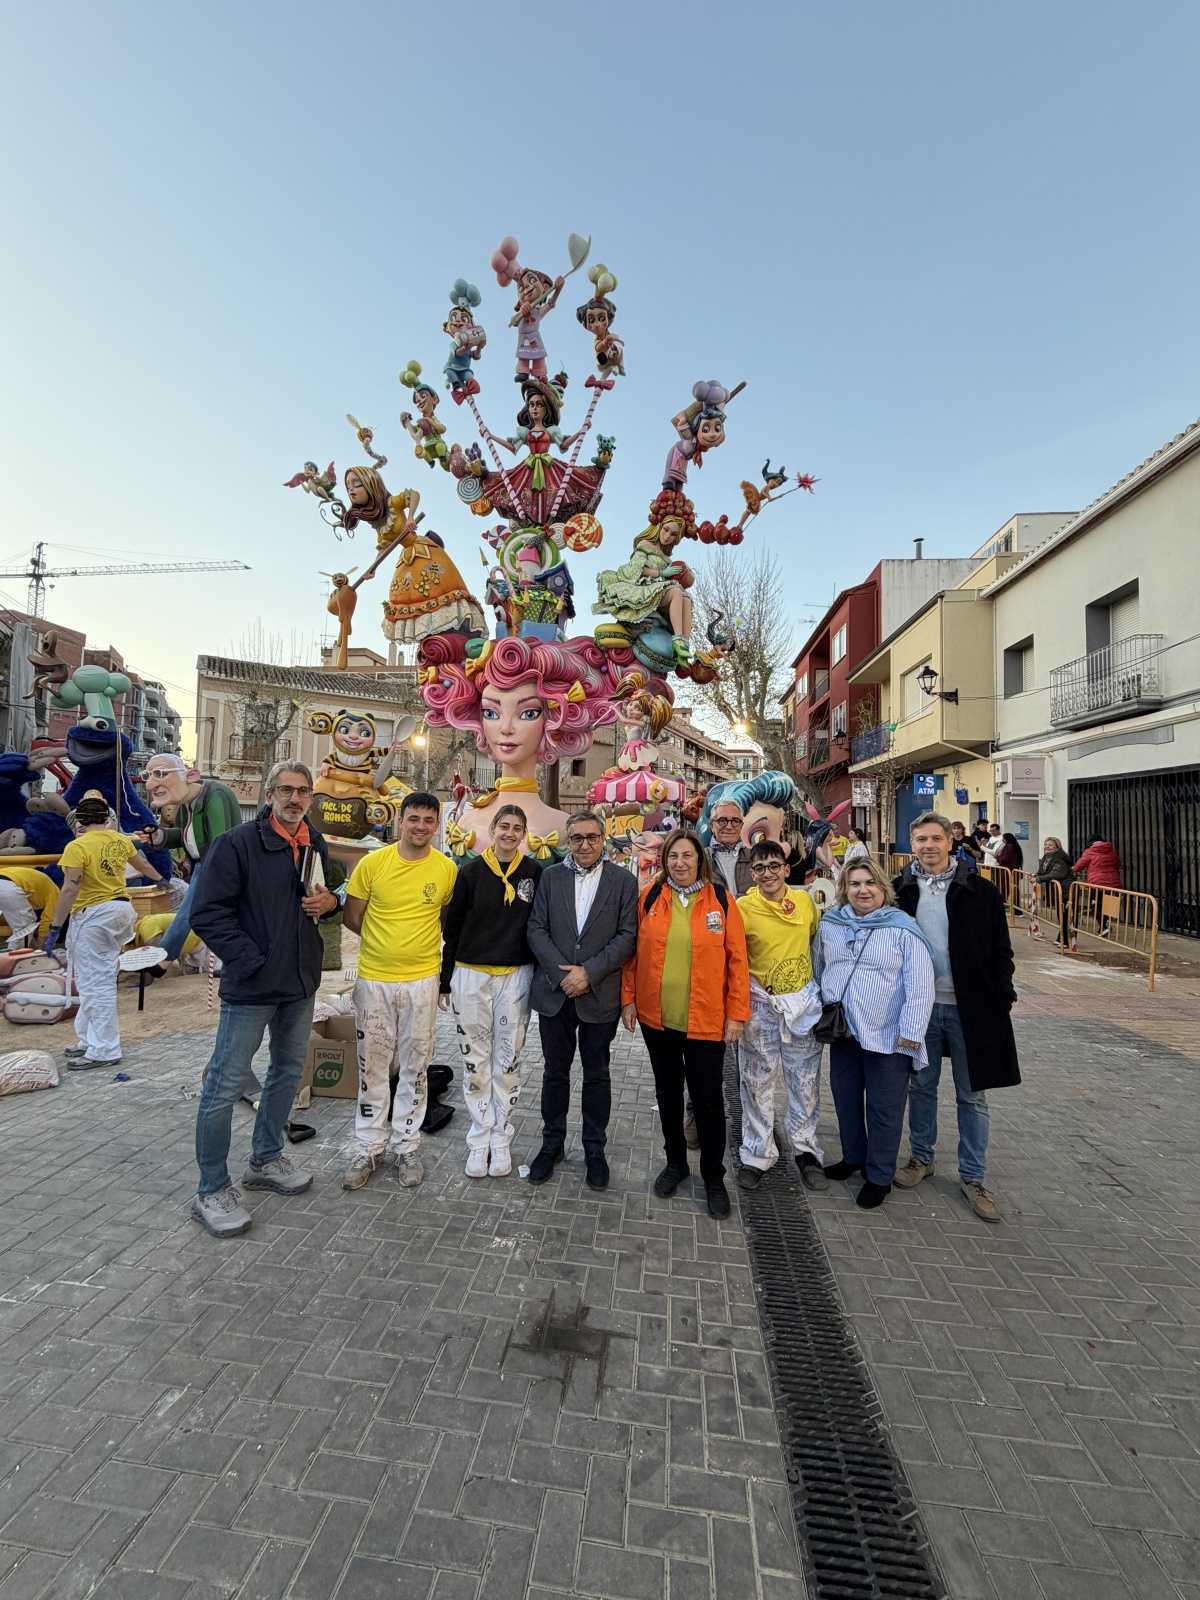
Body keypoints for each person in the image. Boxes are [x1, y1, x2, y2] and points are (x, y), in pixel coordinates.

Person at [189, 763, 339, 1237]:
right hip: (253, 986)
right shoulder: (236, 845)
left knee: (287, 1074)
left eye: (303, 792)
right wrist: (251, 959)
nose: (295, 799)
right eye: (286, 791)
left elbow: (329, 894)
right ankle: (211, 1188)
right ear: (269, 794)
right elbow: (207, 913)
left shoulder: (313, 843)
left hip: (299, 984)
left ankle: (266, 1159)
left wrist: (330, 903)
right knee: (225, 1083)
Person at [892, 812, 1019, 1223]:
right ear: (912, 844)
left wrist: (1002, 995)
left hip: (971, 1008)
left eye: (934, 838)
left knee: (972, 1094)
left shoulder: (979, 890)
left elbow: (1002, 949)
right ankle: (921, 1158)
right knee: (921, 1086)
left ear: (950, 841)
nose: (927, 846)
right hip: (920, 1008)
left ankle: (973, 1175)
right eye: (920, 839)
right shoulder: (899, 890)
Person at [622, 828, 746, 1218]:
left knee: (708, 1101)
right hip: (657, 1019)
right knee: (668, 1095)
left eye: (687, 856)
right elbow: (632, 954)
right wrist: (627, 999)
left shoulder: (722, 901)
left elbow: (738, 962)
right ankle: (675, 1163)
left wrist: (737, 1013)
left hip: (707, 1020)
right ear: (664, 861)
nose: (679, 863)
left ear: (699, 860)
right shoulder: (651, 898)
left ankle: (713, 1176)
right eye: (673, 856)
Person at [341, 792, 457, 1192]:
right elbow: (353, 918)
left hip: (423, 981)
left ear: (437, 824)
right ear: (399, 822)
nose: (420, 826)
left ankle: (407, 1147)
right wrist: (385, 945)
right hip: (375, 980)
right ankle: (368, 1147)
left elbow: (443, 920)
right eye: (413, 819)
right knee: (373, 1065)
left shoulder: (446, 870)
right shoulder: (372, 864)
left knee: (416, 1066)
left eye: (428, 820)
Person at [526, 809, 638, 1190]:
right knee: (554, 1073)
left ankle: (594, 1149)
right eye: (577, 838)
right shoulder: (550, 876)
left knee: (597, 1075)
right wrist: (564, 975)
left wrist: (588, 973)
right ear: (567, 841)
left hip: (598, 994)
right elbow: (536, 928)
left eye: (592, 838)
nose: (585, 845)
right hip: (556, 995)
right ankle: (551, 1144)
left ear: (603, 839)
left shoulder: (623, 881)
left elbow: (626, 936)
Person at [818, 859, 936, 1208]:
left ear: (883, 888)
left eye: (869, 883)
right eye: (854, 884)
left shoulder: (903, 929)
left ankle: (879, 1174)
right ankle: (854, 1157)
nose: (862, 890)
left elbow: (920, 987)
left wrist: (910, 1036)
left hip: (888, 1036)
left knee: (884, 1109)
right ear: (844, 889)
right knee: (846, 1100)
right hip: (845, 1032)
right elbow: (819, 966)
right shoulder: (832, 924)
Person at [439, 804, 541, 1178]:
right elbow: (452, 930)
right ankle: (478, 1136)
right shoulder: (470, 873)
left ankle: (502, 1135)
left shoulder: (534, 873)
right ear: (493, 829)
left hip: (516, 975)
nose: (510, 834)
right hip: (471, 975)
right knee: (475, 1061)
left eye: (517, 828)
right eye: (504, 826)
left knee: (508, 1060)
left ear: (524, 834)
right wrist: (444, 978)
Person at [43, 790, 169, 1070]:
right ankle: (88, 1039)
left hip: (94, 914)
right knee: (94, 976)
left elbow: (70, 887)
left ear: (81, 820)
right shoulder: (119, 840)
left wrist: (54, 926)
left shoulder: (77, 846)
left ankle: (105, 1049)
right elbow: (143, 864)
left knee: (94, 983)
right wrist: (162, 881)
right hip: (120, 909)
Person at [734, 839, 826, 1193]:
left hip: (802, 1007)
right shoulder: (743, 907)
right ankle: (757, 1153)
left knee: (805, 1083)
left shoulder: (804, 902)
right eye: (760, 868)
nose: (768, 873)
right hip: (761, 1009)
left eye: (774, 866)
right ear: (752, 873)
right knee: (757, 1083)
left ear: (787, 869)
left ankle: (806, 1151)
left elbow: (816, 943)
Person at [140, 755, 243, 967]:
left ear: (190, 775)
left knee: (191, 910)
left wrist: (212, 876)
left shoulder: (215, 796)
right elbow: (185, 836)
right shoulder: (184, 805)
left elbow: (220, 841)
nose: (151, 783)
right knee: (198, 913)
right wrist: (159, 837)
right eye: (148, 776)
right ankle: (171, 958)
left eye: (160, 774)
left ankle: (164, 958)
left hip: (219, 866)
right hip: (202, 865)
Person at [0, 864, 58, 950]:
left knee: (26, 927)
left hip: (5, 882)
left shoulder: (36, 881)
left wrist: (32, 942)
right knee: (25, 930)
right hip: (7, 886)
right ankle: (11, 961)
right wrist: (40, 947)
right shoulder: (56, 892)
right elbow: (48, 920)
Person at [1034, 836, 1074, 946]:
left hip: (1066, 890)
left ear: (1057, 847)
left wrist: (1040, 878)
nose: (1047, 847)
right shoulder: (1046, 857)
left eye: (1050, 845)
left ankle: (1067, 941)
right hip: (1057, 890)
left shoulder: (1060, 858)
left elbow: (1057, 873)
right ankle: (1061, 937)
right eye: (1046, 844)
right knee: (1060, 915)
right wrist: (1036, 876)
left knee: (1066, 915)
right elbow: (1042, 871)